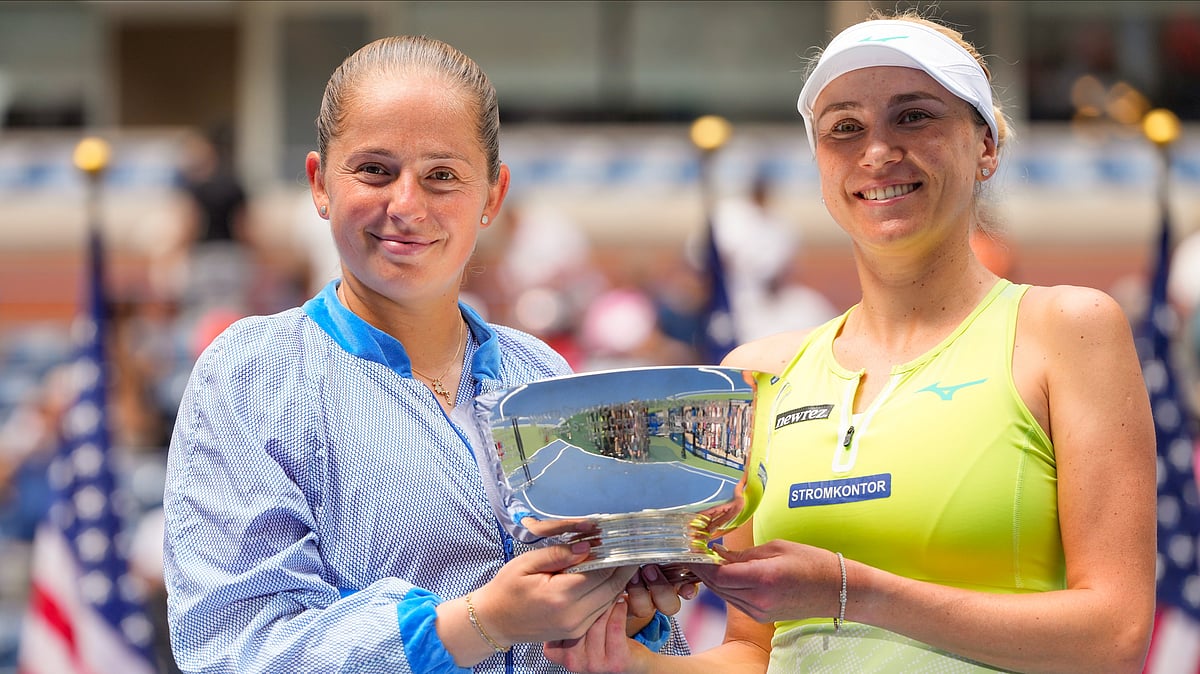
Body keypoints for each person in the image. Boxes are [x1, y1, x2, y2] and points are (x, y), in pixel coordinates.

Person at [544, 10, 1156, 674]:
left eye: (914, 116)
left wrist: (850, 592)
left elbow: (1115, 636)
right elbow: (752, 653)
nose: (877, 151)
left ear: (986, 147)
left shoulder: (1066, 329)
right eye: (845, 128)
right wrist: (625, 659)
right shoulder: (757, 373)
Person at [161, 35, 689, 673]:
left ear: (493, 197)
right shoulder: (249, 376)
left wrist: (625, 615)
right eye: (375, 170)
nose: (406, 206)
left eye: (442, 176)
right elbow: (234, 649)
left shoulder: (540, 373)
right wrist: (478, 623)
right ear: (319, 182)